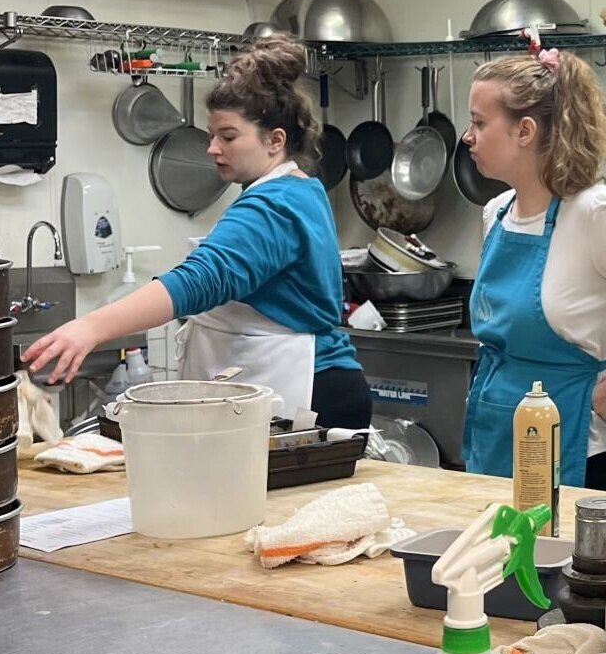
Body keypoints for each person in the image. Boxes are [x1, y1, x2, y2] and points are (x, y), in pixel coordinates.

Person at [25, 36, 371, 427]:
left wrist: (91, 327)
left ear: (275, 140)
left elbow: (200, 280)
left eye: (228, 136)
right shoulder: (298, 189)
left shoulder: (274, 205)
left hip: (304, 394)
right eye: (211, 135)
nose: (212, 149)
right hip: (307, 384)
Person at [461, 44, 606, 492]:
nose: (468, 136)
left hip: (584, 454)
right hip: (499, 437)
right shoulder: (497, 213)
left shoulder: (597, 215)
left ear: (525, 131)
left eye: (480, 122)